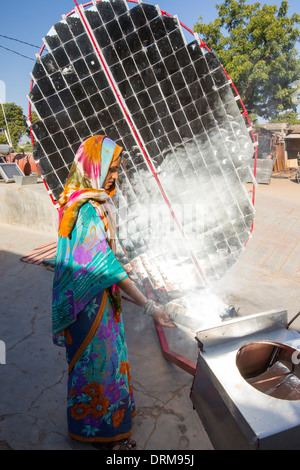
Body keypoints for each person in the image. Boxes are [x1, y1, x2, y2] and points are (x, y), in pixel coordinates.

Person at [52, 135, 175, 451]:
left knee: (93, 366)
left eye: (117, 169)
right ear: (94, 167)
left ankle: (91, 424)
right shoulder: (87, 209)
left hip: (87, 301)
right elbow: (104, 266)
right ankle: (106, 438)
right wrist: (150, 306)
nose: (116, 176)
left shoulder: (75, 198)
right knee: (100, 367)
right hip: (91, 306)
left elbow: (96, 255)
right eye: (111, 168)